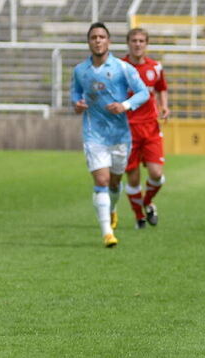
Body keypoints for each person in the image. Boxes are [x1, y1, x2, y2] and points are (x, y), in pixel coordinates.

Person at [71, 22, 149, 247]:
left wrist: (125, 105)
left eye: (101, 37)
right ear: (89, 42)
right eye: (93, 37)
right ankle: (107, 232)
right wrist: (77, 104)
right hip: (93, 134)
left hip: (120, 135)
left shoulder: (122, 68)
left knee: (115, 182)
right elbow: (75, 92)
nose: (97, 40)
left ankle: (113, 208)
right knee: (102, 180)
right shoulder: (80, 70)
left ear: (108, 42)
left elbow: (143, 92)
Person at [122, 28, 170, 229]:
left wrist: (164, 105)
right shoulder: (120, 67)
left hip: (150, 127)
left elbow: (161, 88)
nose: (138, 44)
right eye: (134, 40)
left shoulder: (155, 67)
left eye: (141, 40)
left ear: (146, 44)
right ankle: (139, 217)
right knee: (133, 177)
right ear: (128, 43)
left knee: (156, 173)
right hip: (127, 129)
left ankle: (147, 201)